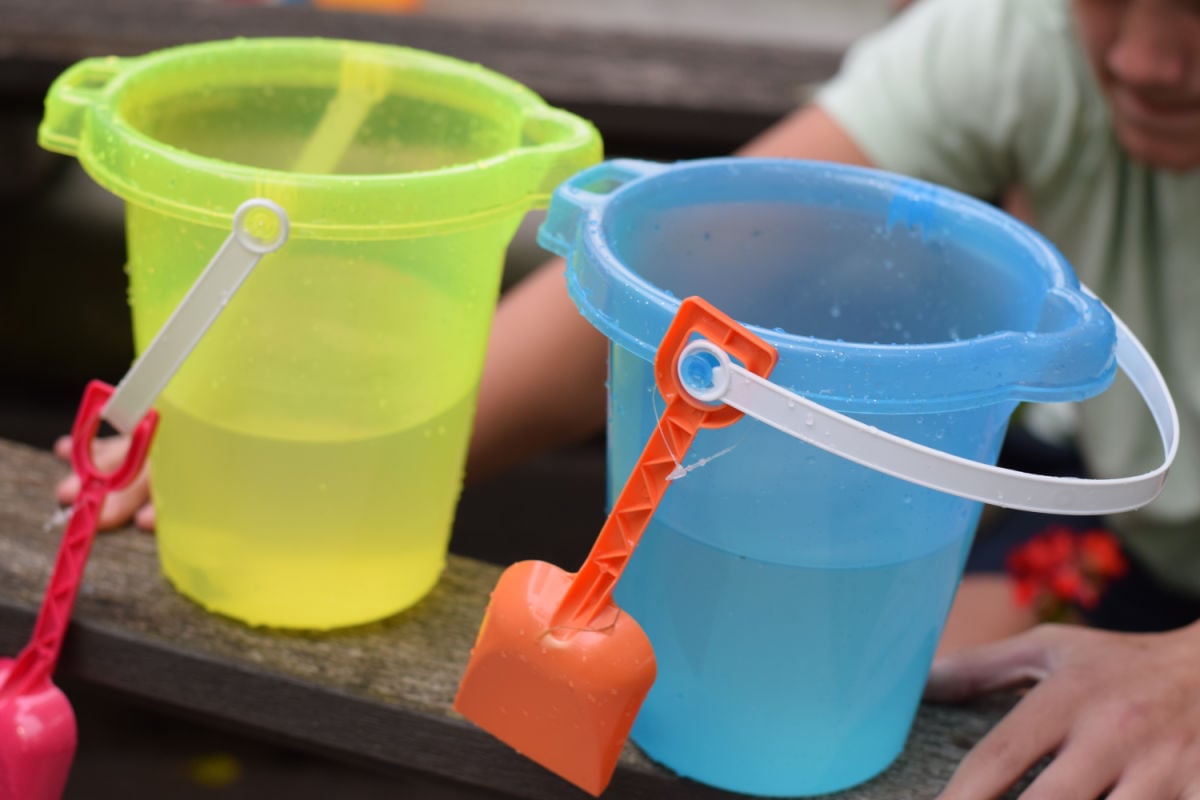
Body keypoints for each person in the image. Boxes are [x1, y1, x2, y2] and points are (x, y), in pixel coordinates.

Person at [55, 0, 1200, 797]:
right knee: (932, 697)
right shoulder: (1017, 39)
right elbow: (715, 244)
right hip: (1118, 525)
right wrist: (326, 463)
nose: (1150, 56)